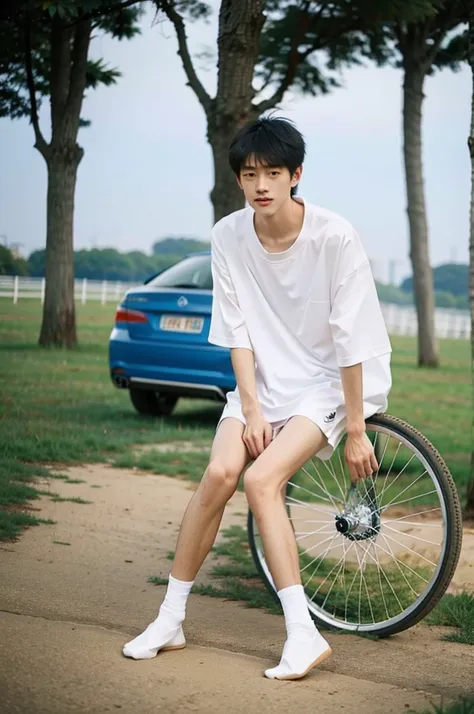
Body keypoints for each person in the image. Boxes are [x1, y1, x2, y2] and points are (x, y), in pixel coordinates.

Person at [123, 116, 392, 680]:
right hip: (261, 380)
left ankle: (302, 634)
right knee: (221, 473)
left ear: (296, 175)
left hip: (326, 380)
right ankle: (170, 618)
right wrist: (249, 407)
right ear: (240, 181)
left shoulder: (334, 236)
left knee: (260, 479)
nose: (262, 184)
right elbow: (237, 327)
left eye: (274, 172)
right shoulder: (227, 236)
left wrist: (357, 427)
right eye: (251, 174)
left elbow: (352, 339)